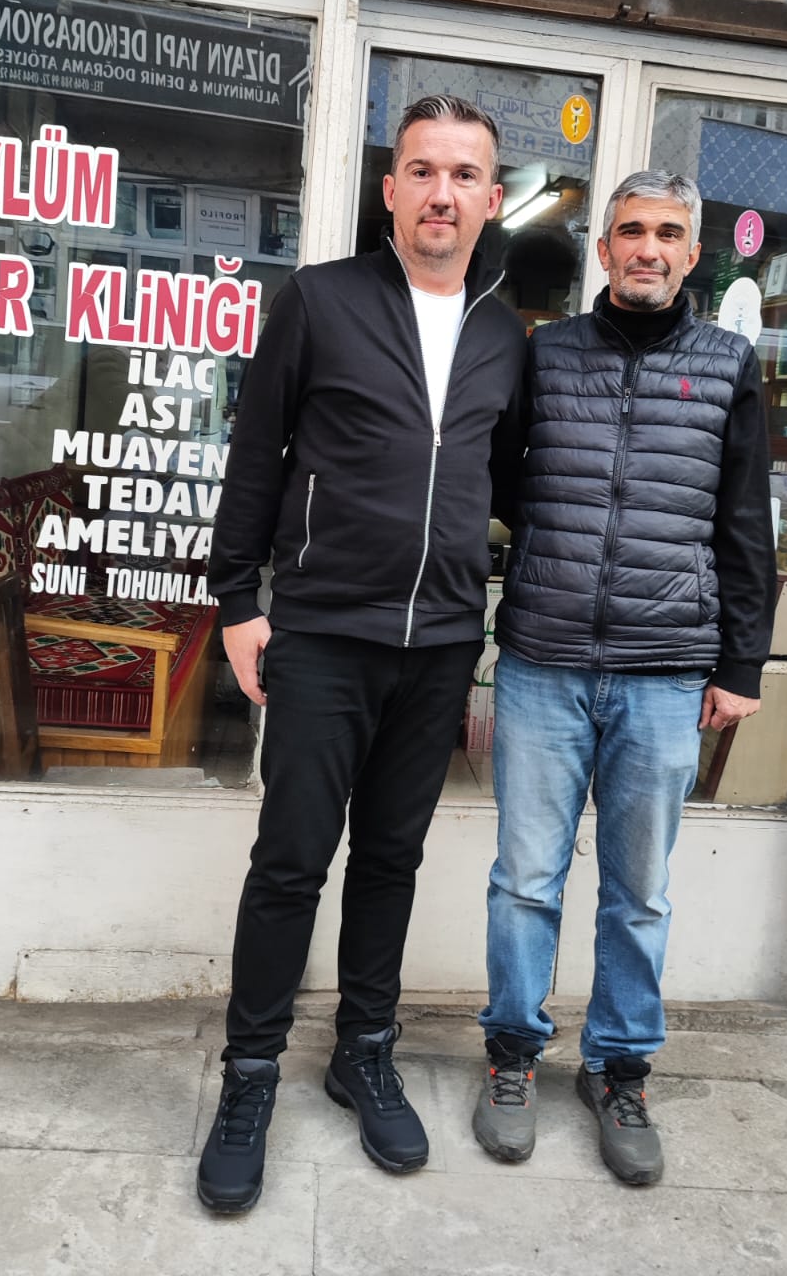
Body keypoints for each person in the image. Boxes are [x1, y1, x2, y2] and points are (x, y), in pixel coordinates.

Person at [198, 94, 527, 1213]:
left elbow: (509, 481)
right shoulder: (321, 300)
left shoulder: (503, 333)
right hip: (326, 634)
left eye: (464, 175)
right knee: (291, 860)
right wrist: (237, 599)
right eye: (423, 170)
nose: (442, 193)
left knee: (392, 859)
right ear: (390, 190)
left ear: (491, 197)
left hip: (439, 643)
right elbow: (256, 451)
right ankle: (249, 1075)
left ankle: (363, 1051)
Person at [473, 169, 776, 1186]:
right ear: (603, 250)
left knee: (639, 892)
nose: (648, 248)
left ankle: (618, 1069)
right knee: (525, 880)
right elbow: (501, 478)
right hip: (544, 660)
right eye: (631, 231)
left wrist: (740, 663)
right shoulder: (547, 353)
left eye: (668, 233)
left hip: (664, 672)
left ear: (693, 254)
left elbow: (745, 525)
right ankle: (513, 1056)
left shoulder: (729, 366)